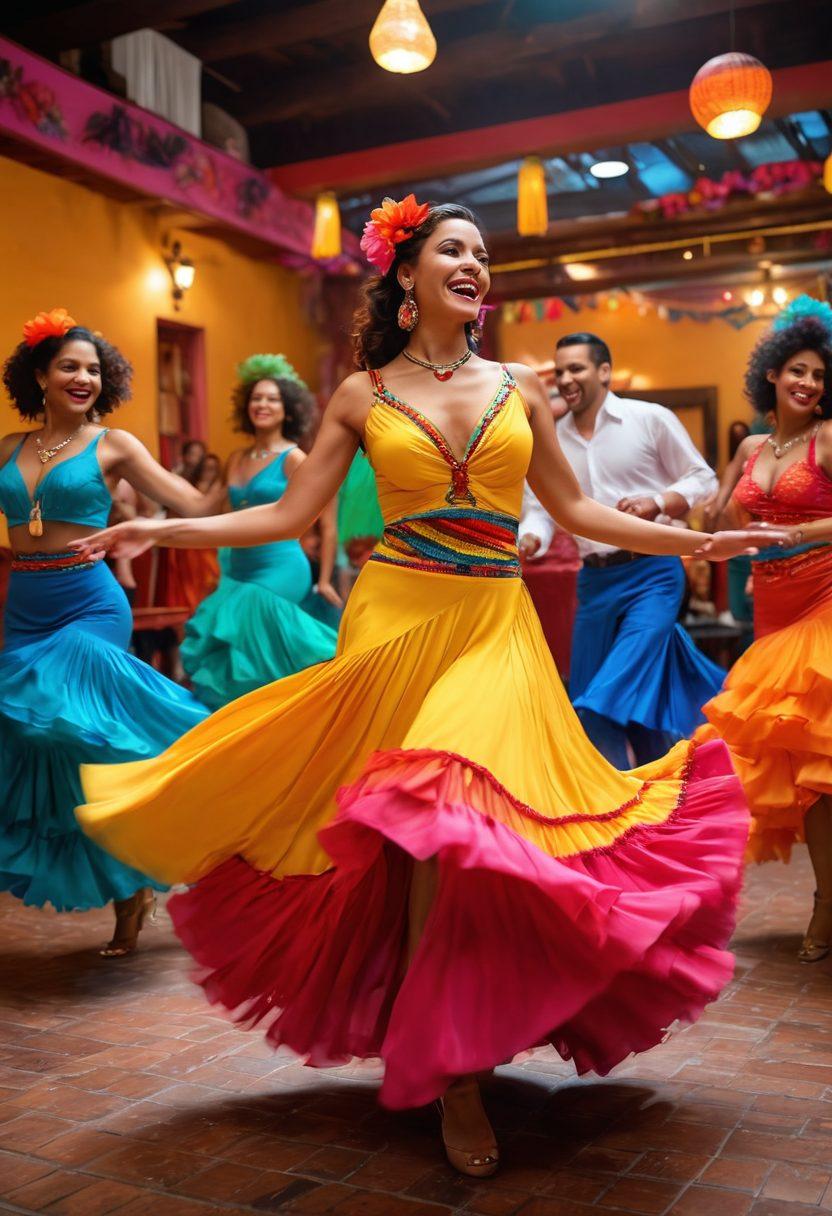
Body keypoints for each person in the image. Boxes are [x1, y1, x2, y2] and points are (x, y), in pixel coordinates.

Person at [73, 201, 779, 1176]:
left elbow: (577, 510)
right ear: (407, 274)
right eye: (454, 248)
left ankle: (451, 1068)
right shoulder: (361, 395)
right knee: (423, 848)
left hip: (493, 624)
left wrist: (697, 542)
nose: (474, 264)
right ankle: (443, 1051)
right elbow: (288, 514)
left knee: (459, 808)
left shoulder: (522, 386)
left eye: (483, 254)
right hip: (393, 620)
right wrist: (162, 531)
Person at [0, 309, 213, 956]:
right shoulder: (8, 447)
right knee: (56, 754)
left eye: (94, 369)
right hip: (26, 604)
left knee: (83, 723)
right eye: (69, 366)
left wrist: (220, 492)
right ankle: (131, 889)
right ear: (40, 375)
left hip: (91, 605)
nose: (82, 378)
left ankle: (149, 854)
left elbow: (194, 504)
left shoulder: (114, 445)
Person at [697, 297, 832, 962]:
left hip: (826, 599)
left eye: (819, 375)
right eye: (797, 371)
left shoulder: (828, 439)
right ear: (772, 375)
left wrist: (798, 531)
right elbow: (718, 523)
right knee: (791, 765)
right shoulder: (752, 446)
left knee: (821, 764)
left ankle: (826, 906)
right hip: (770, 609)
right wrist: (693, 521)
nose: (808, 384)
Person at [520, 333, 724, 768]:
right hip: (594, 583)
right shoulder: (550, 440)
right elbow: (539, 508)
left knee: (607, 694)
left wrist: (660, 502)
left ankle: (650, 798)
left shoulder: (649, 419)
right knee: (608, 709)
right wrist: (531, 538)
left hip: (653, 575)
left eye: (576, 368)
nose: (565, 379)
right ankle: (643, 802)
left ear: (604, 372)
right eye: (559, 371)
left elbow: (703, 479)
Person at [179, 356, 339, 710]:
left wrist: (325, 579)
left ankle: (278, 719)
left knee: (253, 631)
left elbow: (327, 523)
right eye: (256, 398)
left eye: (272, 399)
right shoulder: (235, 459)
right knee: (236, 654)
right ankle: (244, 729)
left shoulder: (295, 459)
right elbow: (207, 508)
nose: (262, 405)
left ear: (288, 409)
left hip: (279, 566)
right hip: (237, 567)